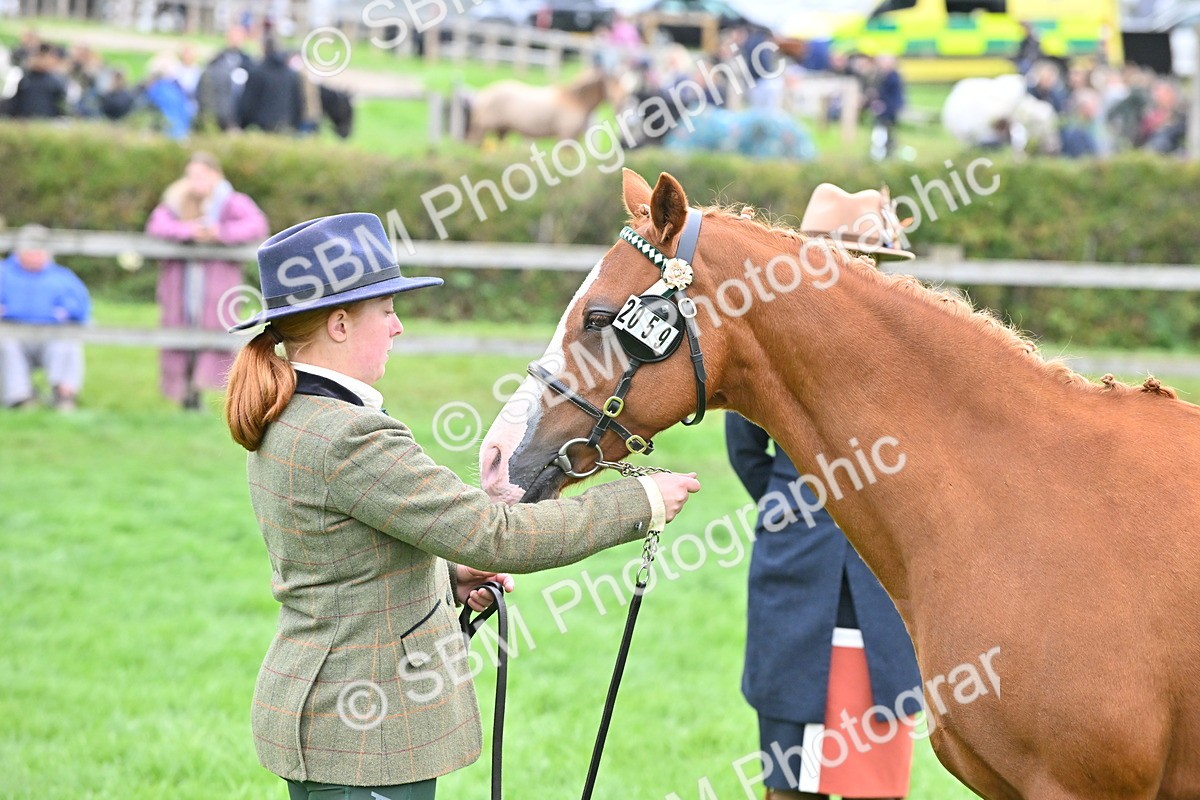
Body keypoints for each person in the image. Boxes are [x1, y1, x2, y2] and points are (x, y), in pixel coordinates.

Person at [223, 212, 701, 798]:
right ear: (340, 324)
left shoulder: (293, 413)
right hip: (364, 738)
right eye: (386, 310)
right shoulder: (349, 435)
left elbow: (342, 561)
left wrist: (448, 577)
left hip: (332, 714)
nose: (397, 327)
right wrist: (639, 500)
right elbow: (498, 535)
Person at [729, 185, 920, 800]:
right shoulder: (772, 340)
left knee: (875, 772)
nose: (858, 270)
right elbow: (746, 450)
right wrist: (796, 505)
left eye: (870, 260)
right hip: (795, 572)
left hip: (884, 576)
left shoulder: (908, 346)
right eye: (844, 256)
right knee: (789, 775)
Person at [146, 152, 269, 409]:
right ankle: (185, 393)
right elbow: (156, 226)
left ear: (216, 175)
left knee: (214, 330)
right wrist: (189, 231)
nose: (195, 181)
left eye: (201, 174)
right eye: (191, 175)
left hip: (217, 282)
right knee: (181, 328)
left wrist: (220, 233)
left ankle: (211, 393)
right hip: (181, 282)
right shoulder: (176, 200)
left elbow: (256, 225)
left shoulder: (232, 202)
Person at [0, 224, 90, 410]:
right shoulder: (4, 273)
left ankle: (64, 395)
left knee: (67, 341)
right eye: (30, 249)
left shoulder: (62, 277)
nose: (35, 254)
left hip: (51, 335)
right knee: (5, 344)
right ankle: (20, 399)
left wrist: (66, 311)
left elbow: (80, 307)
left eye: (40, 249)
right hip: (13, 334)